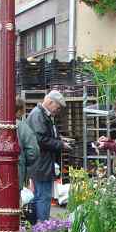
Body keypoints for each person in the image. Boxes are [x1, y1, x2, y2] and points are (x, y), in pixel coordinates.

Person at [0, 98, 39, 215]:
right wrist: (23, 163)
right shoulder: (22, 127)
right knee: (12, 211)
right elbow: (34, 151)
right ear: (19, 111)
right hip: (14, 176)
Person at [27, 90, 70, 222]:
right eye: (57, 108)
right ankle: (42, 227)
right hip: (41, 164)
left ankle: (36, 227)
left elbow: (44, 136)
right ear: (50, 102)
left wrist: (60, 139)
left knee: (39, 196)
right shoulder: (38, 115)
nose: (57, 111)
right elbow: (40, 139)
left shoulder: (42, 114)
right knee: (43, 196)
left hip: (41, 163)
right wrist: (60, 144)